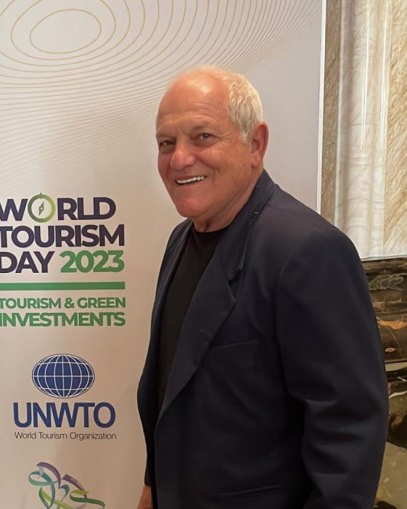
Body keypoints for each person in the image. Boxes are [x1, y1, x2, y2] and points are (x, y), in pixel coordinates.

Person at [136, 67, 388, 509]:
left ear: (255, 144)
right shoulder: (181, 240)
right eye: (166, 143)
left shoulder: (308, 251)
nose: (179, 159)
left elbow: (348, 434)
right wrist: (152, 490)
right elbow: (173, 398)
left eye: (202, 137)